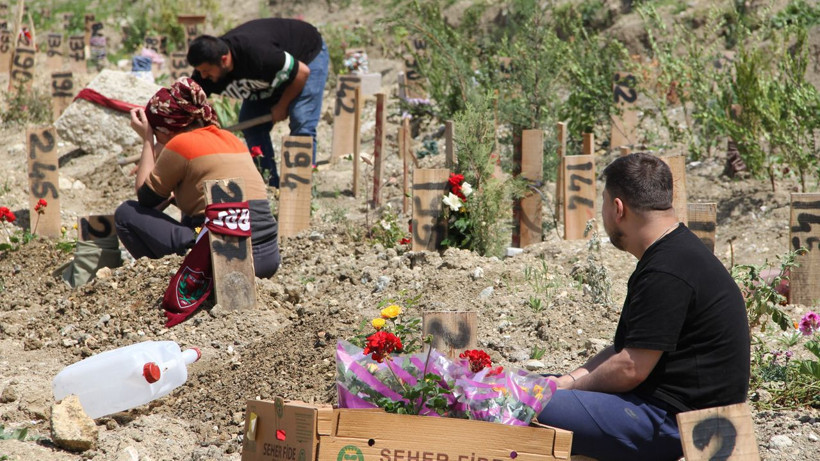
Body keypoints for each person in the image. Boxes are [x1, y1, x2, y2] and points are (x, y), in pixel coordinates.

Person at [537, 153, 750, 460]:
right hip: (669, 413)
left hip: (678, 427)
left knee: (516, 402)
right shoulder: (673, 253)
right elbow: (626, 349)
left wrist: (563, 391)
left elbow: (629, 368)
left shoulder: (667, 269)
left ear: (617, 208)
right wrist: (566, 381)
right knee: (526, 388)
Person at [115, 77, 280, 279]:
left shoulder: (181, 143)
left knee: (126, 213)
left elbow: (145, 198)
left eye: (158, 134)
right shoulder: (230, 138)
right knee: (190, 215)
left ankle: (172, 279)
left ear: (165, 130)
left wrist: (147, 141)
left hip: (224, 260)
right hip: (267, 257)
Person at [187, 18, 329, 188]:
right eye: (200, 72)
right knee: (250, 123)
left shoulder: (258, 54)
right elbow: (190, 104)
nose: (203, 77)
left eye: (207, 71)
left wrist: (282, 106)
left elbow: (302, 73)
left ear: (224, 60)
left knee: (301, 120)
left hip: (306, 56)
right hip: (270, 76)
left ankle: (301, 193)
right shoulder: (206, 71)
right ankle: (271, 186)